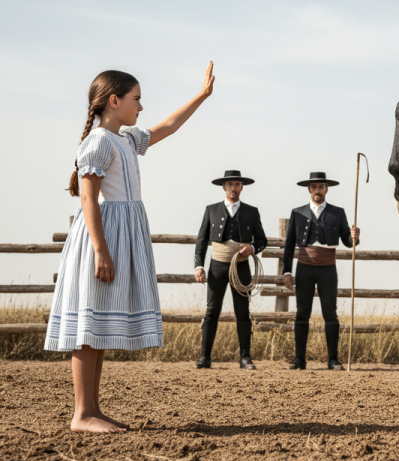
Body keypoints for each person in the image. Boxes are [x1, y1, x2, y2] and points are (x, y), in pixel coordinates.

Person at [45, 62, 215, 433]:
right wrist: (101, 251)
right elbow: (88, 200)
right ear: (114, 100)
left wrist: (201, 96)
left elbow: (167, 127)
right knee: (89, 323)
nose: (141, 107)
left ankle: (92, 408)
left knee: (101, 322)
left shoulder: (124, 140)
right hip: (102, 236)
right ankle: (81, 413)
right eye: (136, 99)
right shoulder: (97, 142)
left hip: (122, 233)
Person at [282, 172, 361, 370]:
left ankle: (333, 360)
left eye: (321, 187)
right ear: (309, 190)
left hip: (328, 269)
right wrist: (287, 272)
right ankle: (299, 359)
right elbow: (290, 244)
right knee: (302, 314)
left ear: (326, 189)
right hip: (304, 268)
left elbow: (348, 242)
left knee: (330, 314)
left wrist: (355, 237)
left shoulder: (337, 213)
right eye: (314, 187)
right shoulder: (297, 212)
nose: (317, 191)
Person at [194, 170, 268, 370]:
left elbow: (262, 240)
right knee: (211, 311)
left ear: (241, 187)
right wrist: (199, 265)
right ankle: (205, 357)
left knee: (243, 312)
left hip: (241, 266)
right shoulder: (211, 210)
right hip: (217, 265)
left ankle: (245, 358)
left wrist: (253, 248)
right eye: (229, 184)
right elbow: (201, 241)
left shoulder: (252, 211)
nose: (233, 188)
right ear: (224, 187)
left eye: (237, 184)